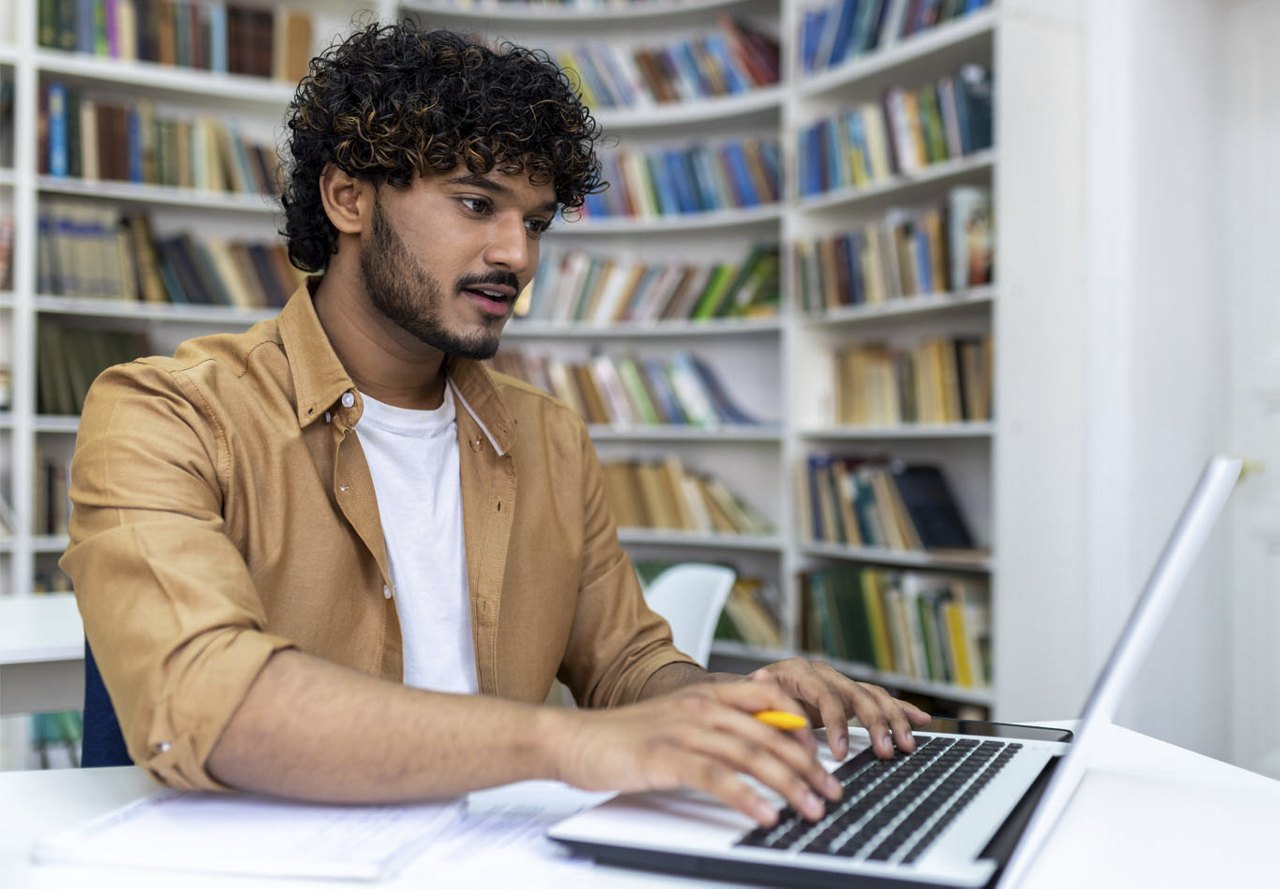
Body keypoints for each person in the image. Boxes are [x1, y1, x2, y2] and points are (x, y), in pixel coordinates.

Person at [62, 20, 929, 828]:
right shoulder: (166, 411)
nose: (517, 255)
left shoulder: (548, 435)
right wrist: (561, 742)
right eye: (477, 204)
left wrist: (730, 696)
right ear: (347, 197)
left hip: (494, 852)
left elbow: (627, 666)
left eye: (536, 222)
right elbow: (207, 703)